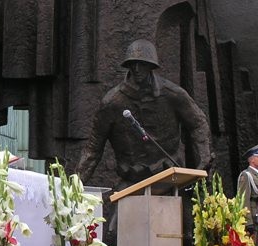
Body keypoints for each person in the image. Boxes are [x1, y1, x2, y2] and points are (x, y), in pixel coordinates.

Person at [77, 39, 212, 185]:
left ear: (151, 66)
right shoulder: (112, 102)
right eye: (132, 64)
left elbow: (198, 124)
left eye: (142, 64)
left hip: (169, 178)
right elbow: (93, 149)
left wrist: (204, 159)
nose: (136, 68)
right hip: (131, 182)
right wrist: (74, 188)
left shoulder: (173, 94)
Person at [237, 145, 258, 235]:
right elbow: (244, 199)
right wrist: (248, 223)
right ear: (252, 159)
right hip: (255, 218)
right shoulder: (246, 175)